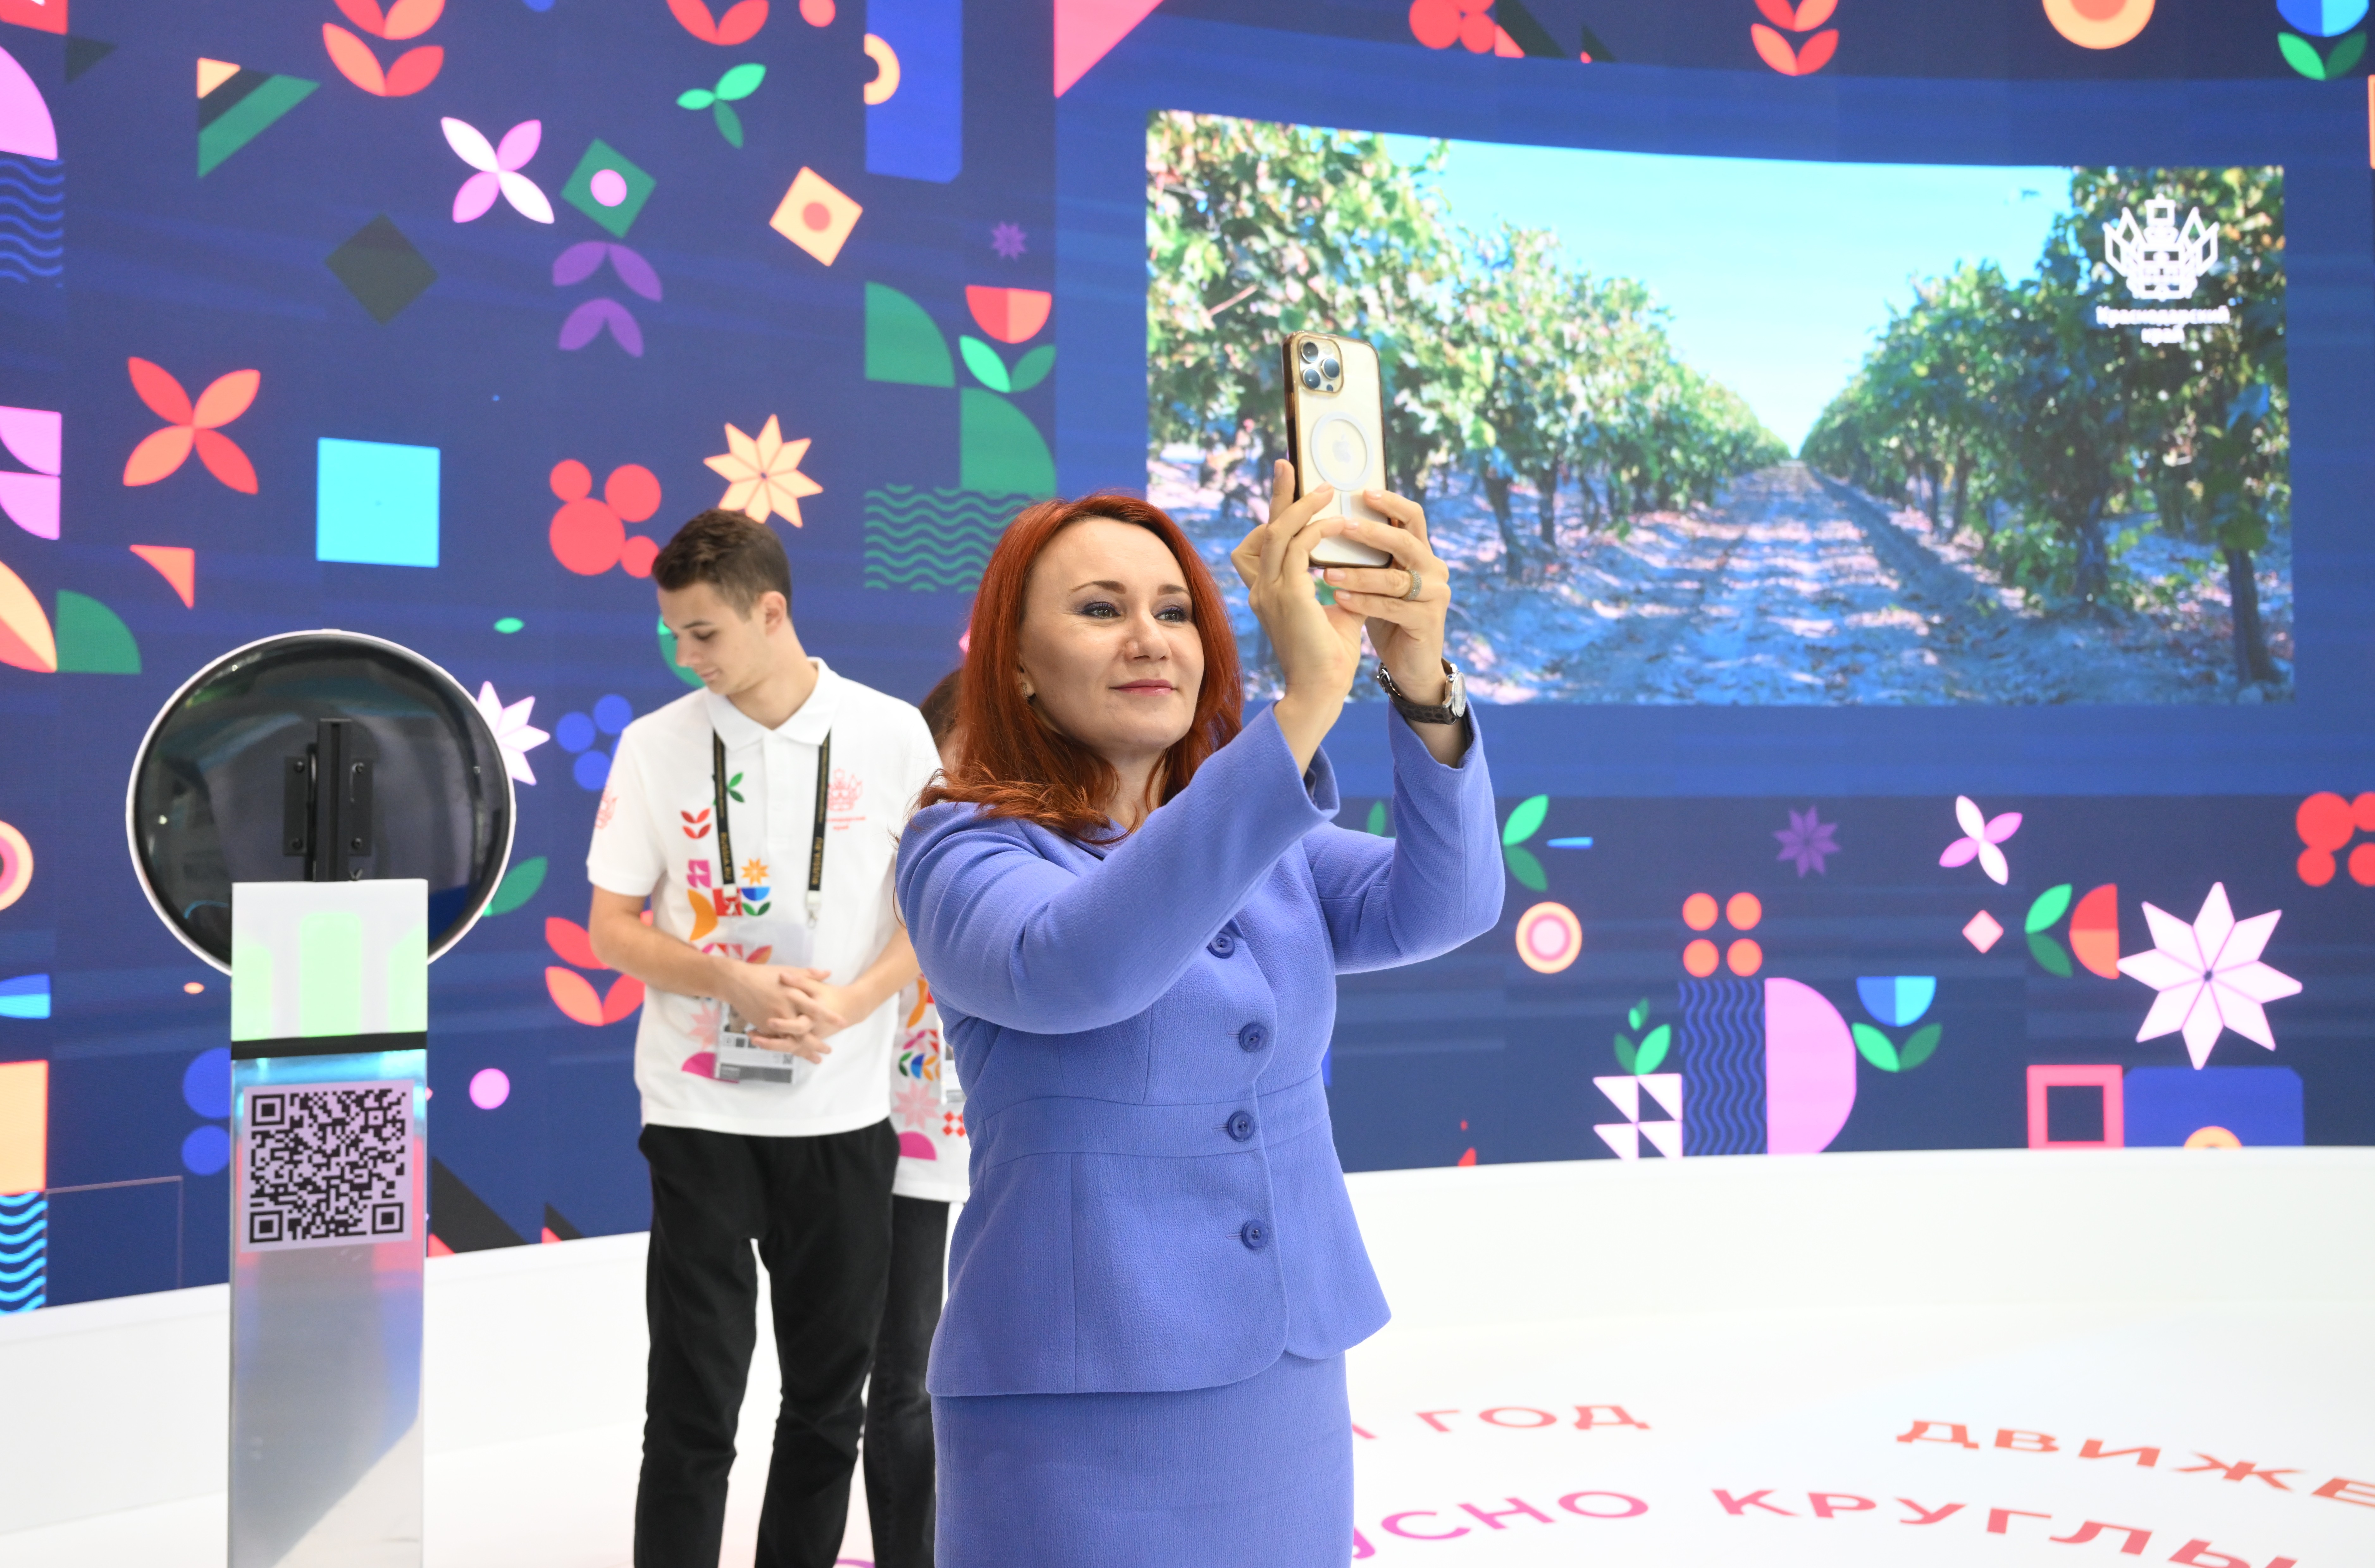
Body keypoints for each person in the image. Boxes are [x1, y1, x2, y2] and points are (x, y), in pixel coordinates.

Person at [896, 464, 1503, 1565]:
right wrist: (1302, 709)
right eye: (1101, 609)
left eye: (1175, 611)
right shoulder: (963, 849)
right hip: (1076, 1405)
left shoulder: (1263, 834)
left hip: (1284, 1374)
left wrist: (1419, 678)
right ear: (1016, 665)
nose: (1150, 639)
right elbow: (1083, 966)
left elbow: (1448, 903)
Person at [584, 509, 942, 1568]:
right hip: (697, 1111)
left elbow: (931, 915)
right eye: (675, 636)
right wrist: (726, 980)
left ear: (772, 611)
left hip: (844, 1111)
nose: (687, 656)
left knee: (828, 1405)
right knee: (691, 1407)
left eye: (704, 634)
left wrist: (856, 1001)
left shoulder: (892, 735)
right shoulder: (657, 745)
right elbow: (611, 928)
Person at [862, 670, 968, 1568]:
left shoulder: (1070, 841)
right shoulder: (889, 846)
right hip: (907, 1148)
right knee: (904, 1378)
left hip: (1027, 1147)